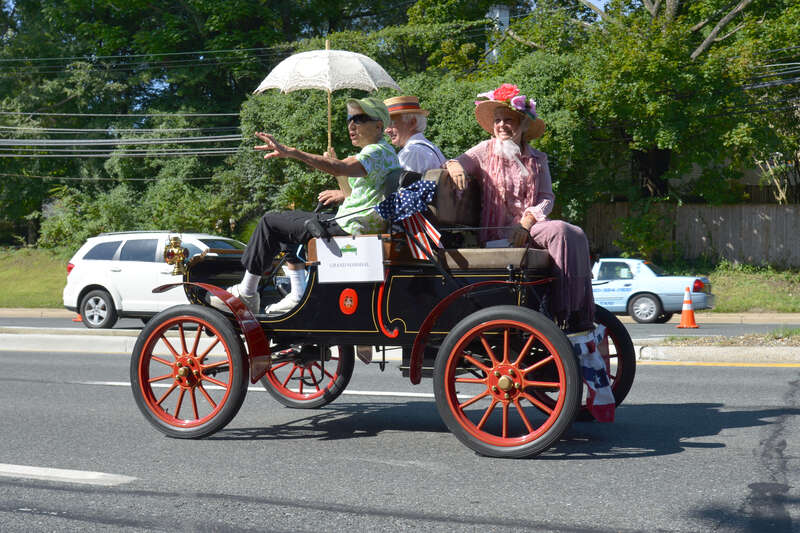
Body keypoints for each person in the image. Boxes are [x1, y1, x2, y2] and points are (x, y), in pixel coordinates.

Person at [212, 96, 400, 315]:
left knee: (270, 221)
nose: (351, 125)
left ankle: (247, 293)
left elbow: (338, 167)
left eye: (359, 118)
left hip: (348, 229)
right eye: (349, 118)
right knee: (288, 226)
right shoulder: (385, 153)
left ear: (379, 125)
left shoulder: (375, 152)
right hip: (354, 225)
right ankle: (298, 293)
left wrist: (293, 153)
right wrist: (336, 166)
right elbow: (350, 195)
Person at [445, 83, 595, 331]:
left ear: (523, 124)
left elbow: (547, 198)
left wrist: (527, 221)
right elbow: (456, 162)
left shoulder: (538, 158)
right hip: (497, 233)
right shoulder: (484, 150)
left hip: (530, 228)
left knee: (574, 232)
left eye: (509, 120)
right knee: (562, 231)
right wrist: (453, 165)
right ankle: (564, 313)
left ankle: (576, 310)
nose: (502, 125)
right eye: (498, 120)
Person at [383, 95, 446, 173]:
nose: (386, 130)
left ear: (412, 123)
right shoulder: (427, 147)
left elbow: (401, 185)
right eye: (386, 124)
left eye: (391, 123)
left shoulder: (412, 152)